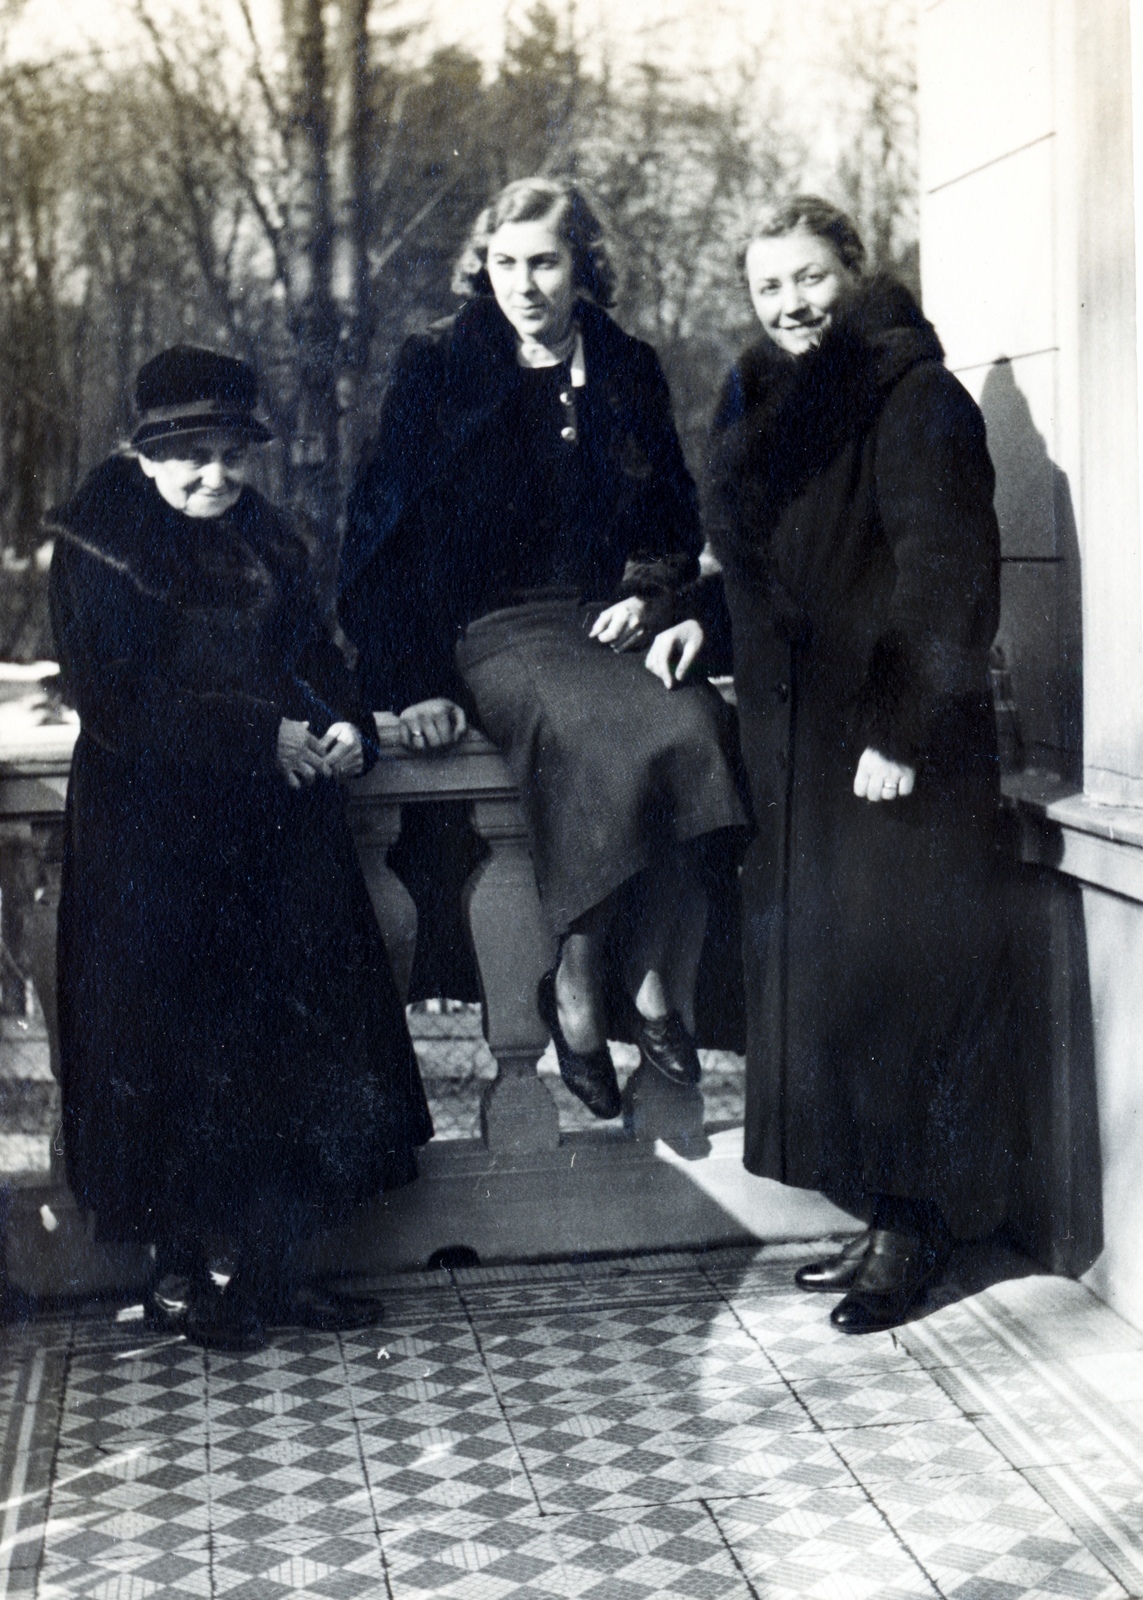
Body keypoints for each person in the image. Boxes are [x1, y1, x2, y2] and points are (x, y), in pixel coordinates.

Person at [48, 345, 433, 1350]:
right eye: (189, 458)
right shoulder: (99, 541)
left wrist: (347, 722)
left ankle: (277, 1267)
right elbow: (115, 697)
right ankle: (176, 1271)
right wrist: (260, 734)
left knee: (287, 1048)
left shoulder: (265, 534)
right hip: (152, 838)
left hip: (272, 837)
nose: (213, 476)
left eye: (229, 454)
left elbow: (314, 655)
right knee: (165, 1048)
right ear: (141, 455)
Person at [341, 177, 747, 1116]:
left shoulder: (626, 364)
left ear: (582, 267)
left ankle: (651, 984)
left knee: (699, 728)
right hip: (493, 629)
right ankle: (574, 981)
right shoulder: (437, 366)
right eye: (505, 262)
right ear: (482, 266)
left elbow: (671, 516)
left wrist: (649, 593)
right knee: (590, 741)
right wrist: (412, 681)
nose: (523, 284)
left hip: (606, 619)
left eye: (545, 262)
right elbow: (380, 537)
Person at [708, 197, 1015, 1332]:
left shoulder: (916, 398)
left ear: (854, 269)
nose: (791, 305)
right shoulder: (774, 403)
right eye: (768, 288)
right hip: (802, 748)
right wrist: (697, 611)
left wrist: (899, 726)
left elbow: (948, 574)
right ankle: (883, 1208)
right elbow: (773, 563)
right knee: (845, 989)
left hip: (896, 751)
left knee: (908, 990)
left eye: (808, 278)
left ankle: (918, 1230)